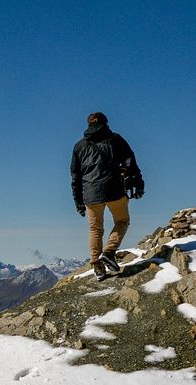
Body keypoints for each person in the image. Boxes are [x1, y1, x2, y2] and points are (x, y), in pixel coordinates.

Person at [70, 112, 144, 280]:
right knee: (122, 221)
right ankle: (109, 252)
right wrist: (139, 183)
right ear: (106, 123)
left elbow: (75, 176)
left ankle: (97, 266)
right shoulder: (115, 139)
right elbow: (130, 162)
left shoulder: (79, 146)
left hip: (90, 194)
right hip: (114, 190)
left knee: (95, 229)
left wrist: (78, 201)